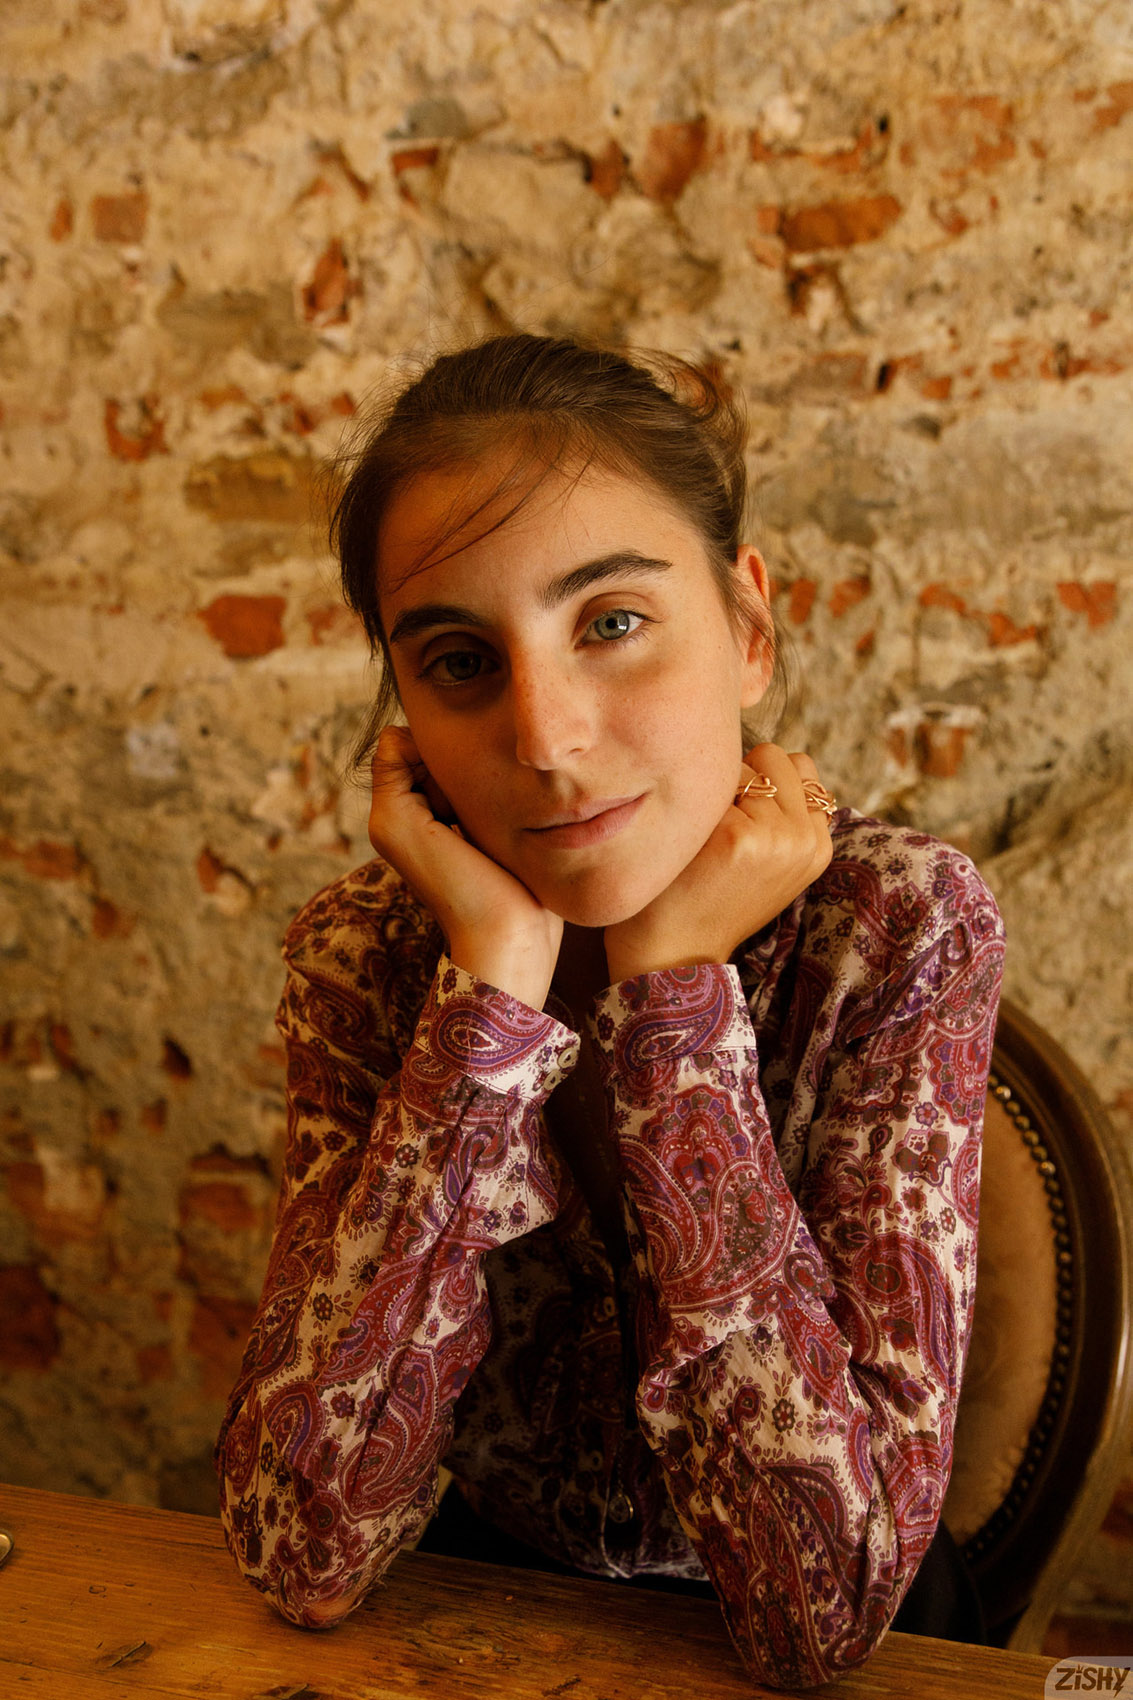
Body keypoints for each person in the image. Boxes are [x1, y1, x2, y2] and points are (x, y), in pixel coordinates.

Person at [215, 334, 1005, 1688]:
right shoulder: (368, 957)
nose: (546, 738)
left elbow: (817, 1610)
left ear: (748, 630)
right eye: (461, 660)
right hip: (484, 1626)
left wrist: (673, 1002)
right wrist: (484, 1010)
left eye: (612, 623)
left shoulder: (899, 928)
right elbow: (301, 1551)